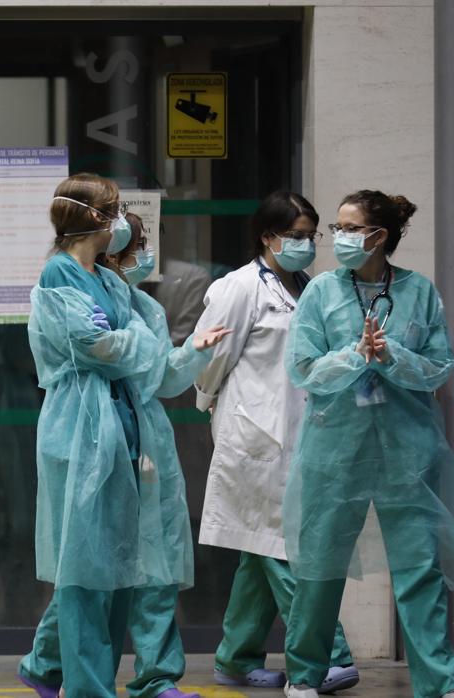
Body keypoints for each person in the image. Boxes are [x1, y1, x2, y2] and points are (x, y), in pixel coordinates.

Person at [282, 191, 454, 698]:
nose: (339, 238)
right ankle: (304, 675)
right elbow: (303, 369)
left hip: (406, 449)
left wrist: (392, 358)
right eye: (338, 228)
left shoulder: (419, 292)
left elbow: (439, 366)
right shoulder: (322, 292)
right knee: (320, 568)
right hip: (334, 448)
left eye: (350, 228)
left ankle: (439, 684)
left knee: (418, 570)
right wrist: (355, 355)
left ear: (378, 236)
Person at [18, 175, 191, 698]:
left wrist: (148, 345)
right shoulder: (59, 273)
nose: (120, 221)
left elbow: (143, 343)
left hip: (121, 423)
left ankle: (89, 679)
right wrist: (136, 343)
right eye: (114, 211)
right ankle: (87, 689)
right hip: (80, 426)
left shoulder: (109, 281)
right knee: (85, 567)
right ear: (94, 219)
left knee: (118, 564)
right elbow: (98, 345)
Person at [191, 191, 359, 693]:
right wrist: (210, 406)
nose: (306, 245)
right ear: (266, 237)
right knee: (286, 551)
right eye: (295, 237)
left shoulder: (311, 287)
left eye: (312, 236)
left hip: (303, 436)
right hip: (254, 437)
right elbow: (211, 358)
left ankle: (236, 659)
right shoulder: (239, 288)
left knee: (257, 549)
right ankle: (326, 655)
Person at [100, 213, 231, 698]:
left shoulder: (146, 308)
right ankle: (50, 661)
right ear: (109, 251)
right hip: (99, 435)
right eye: (137, 246)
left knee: (154, 563)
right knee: (93, 565)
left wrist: (194, 350)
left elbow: (161, 378)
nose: (145, 256)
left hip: (149, 438)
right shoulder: (76, 298)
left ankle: (156, 678)